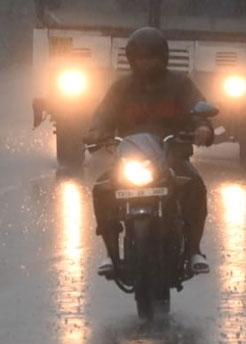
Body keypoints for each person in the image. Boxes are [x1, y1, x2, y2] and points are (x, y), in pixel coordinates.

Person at [85, 27, 215, 277]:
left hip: (172, 158)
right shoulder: (120, 89)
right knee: (101, 188)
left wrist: (202, 128)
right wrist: (95, 132)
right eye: (140, 58)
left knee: (195, 186)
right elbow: (101, 116)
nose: (146, 63)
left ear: (163, 58)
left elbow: (198, 110)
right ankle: (111, 253)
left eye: (151, 58)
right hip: (129, 159)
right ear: (132, 60)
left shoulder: (180, 84)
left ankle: (194, 250)